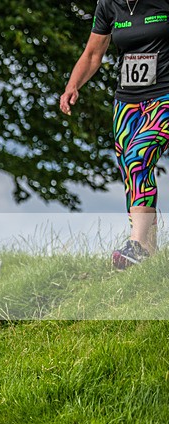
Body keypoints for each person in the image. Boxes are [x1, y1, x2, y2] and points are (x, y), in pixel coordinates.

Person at [60, 0, 169, 268]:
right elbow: (92, 55)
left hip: (164, 96)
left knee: (137, 158)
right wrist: (73, 86)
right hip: (127, 103)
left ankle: (137, 244)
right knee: (132, 173)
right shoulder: (108, 6)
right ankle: (149, 255)